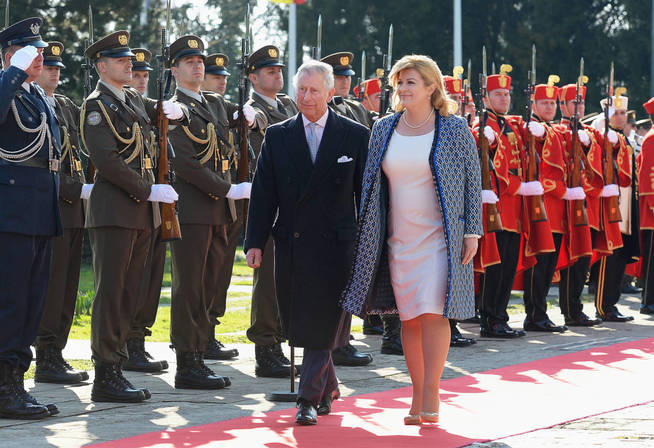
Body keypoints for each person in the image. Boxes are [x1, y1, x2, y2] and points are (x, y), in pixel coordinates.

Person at [341, 54, 482, 425]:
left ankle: (431, 393)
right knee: (409, 318)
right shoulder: (384, 127)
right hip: (397, 239)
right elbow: (371, 183)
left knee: (433, 313)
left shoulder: (454, 128)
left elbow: (472, 181)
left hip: (441, 238)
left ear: (432, 87)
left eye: (411, 83)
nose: (403, 89)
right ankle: (416, 392)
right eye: (399, 83)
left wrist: (473, 231)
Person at [245, 60, 369, 425]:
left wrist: (371, 243)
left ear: (331, 93)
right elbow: (264, 192)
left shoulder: (355, 134)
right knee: (301, 319)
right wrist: (255, 240)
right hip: (293, 245)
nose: (306, 96)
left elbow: (367, 194)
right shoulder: (279, 135)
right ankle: (327, 386)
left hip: (338, 246)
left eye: (314, 90)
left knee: (326, 321)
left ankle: (306, 399)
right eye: (301, 89)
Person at [81, 30, 185, 403]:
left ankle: (119, 365)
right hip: (115, 210)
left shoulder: (130, 101)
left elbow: (158, 132)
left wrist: (178, 109)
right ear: (102, 66)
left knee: (130, 293)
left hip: (142, 213)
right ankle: (105, 373)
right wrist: (147, 190)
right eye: (121, 60)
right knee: (111, 294)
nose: (130, 64)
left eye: (129, 60)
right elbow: (106, 159)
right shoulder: (97, 106)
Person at [167, 35, 254, 389]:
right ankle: (187, 362)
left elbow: (244, 122)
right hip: (193, 208)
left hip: (220, 211)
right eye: (189, 61)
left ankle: (200, 353)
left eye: (200, 60)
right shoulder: (172, 108)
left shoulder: (215, 104)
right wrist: (226, 188)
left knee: (209, 286)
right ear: (174, 70)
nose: (198, 65)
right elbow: (184, 161)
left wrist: (252, 113)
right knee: (190, 288)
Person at [0, 17, 62, 420]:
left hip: (40, 214)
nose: (38, 56)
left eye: (38, 50)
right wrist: (11, 73)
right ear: (9, 54)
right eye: (29, 49)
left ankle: (15, 384)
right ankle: (5, 390)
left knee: (31, 304)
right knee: (10, 303)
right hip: (11, 215)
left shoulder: (35, 96)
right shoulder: (8, 87)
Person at [33, 42, 91, 384]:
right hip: (51, 206)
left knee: (69, 285)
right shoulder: (29, 103)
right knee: (52, 286)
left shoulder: (67, 104)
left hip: (74, 210)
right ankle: (45, 356)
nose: (54, 72)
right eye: (48, 66)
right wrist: (74, 189)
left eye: (58, 68)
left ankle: (58, 351)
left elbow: (78, 152)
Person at [245, 45, 301, 378]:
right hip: (271, 205)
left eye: (279, 70)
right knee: (267, 279)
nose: (277, 75)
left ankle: (280, 340)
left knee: (288, 278)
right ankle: (265, 348)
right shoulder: (253, 112)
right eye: (269, 71)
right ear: (253, 77)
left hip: (294, 206)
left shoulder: (289, 106)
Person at [122, 46, 170, 374]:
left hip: (153, 204)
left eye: (144, 76)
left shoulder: (147, 107)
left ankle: (139, 339)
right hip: (130, 203)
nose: (140, 81)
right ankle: (126, 344)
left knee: (151, 278)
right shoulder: (119, 107)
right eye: (135, 74)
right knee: (128, 280)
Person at [201, 51, 241, 362]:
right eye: (217, 77)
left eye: (225, 78)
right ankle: (196, 339)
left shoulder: (218, 107)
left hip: (225, 203)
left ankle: (209, 330)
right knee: (198, 279)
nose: (222, 82)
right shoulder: (194, 107)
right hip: (202, 202)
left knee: (219, 273)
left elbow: (250, 116)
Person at [521, 79, 569, 333]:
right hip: (540, 208)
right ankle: (534, 314)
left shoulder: (553, 130)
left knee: (548, 267)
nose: (550, 107)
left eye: (553, 102)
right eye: (544, 102)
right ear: (534, 104)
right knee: (538, 266)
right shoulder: (532, 129)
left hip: (557, 208)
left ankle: (540, 313)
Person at [554, 83, 602, 327]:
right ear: (563, 105)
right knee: (571, 258)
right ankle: (570, 309)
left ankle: (576, 307)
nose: (579, 106)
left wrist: (589, 145)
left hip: (589, 204)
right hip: (567, 205)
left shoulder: (589, 132)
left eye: (582, 101)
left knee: (584, 258)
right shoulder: (557, 130)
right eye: (574, 101)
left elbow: (602, 161)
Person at [590, 94, 636, 322]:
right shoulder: (601, 136)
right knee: (609, 255)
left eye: (623, 113)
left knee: (620, 256)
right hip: (608, 204)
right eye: (616, 113)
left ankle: (612, 303)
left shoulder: (625, 139)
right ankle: (603, 304)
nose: (621, 117)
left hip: (625, 204)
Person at [638, 97, 654, 315]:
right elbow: (647, 174)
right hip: (652, 211)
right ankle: (648, 301)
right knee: (652, 259)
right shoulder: (651, 139)